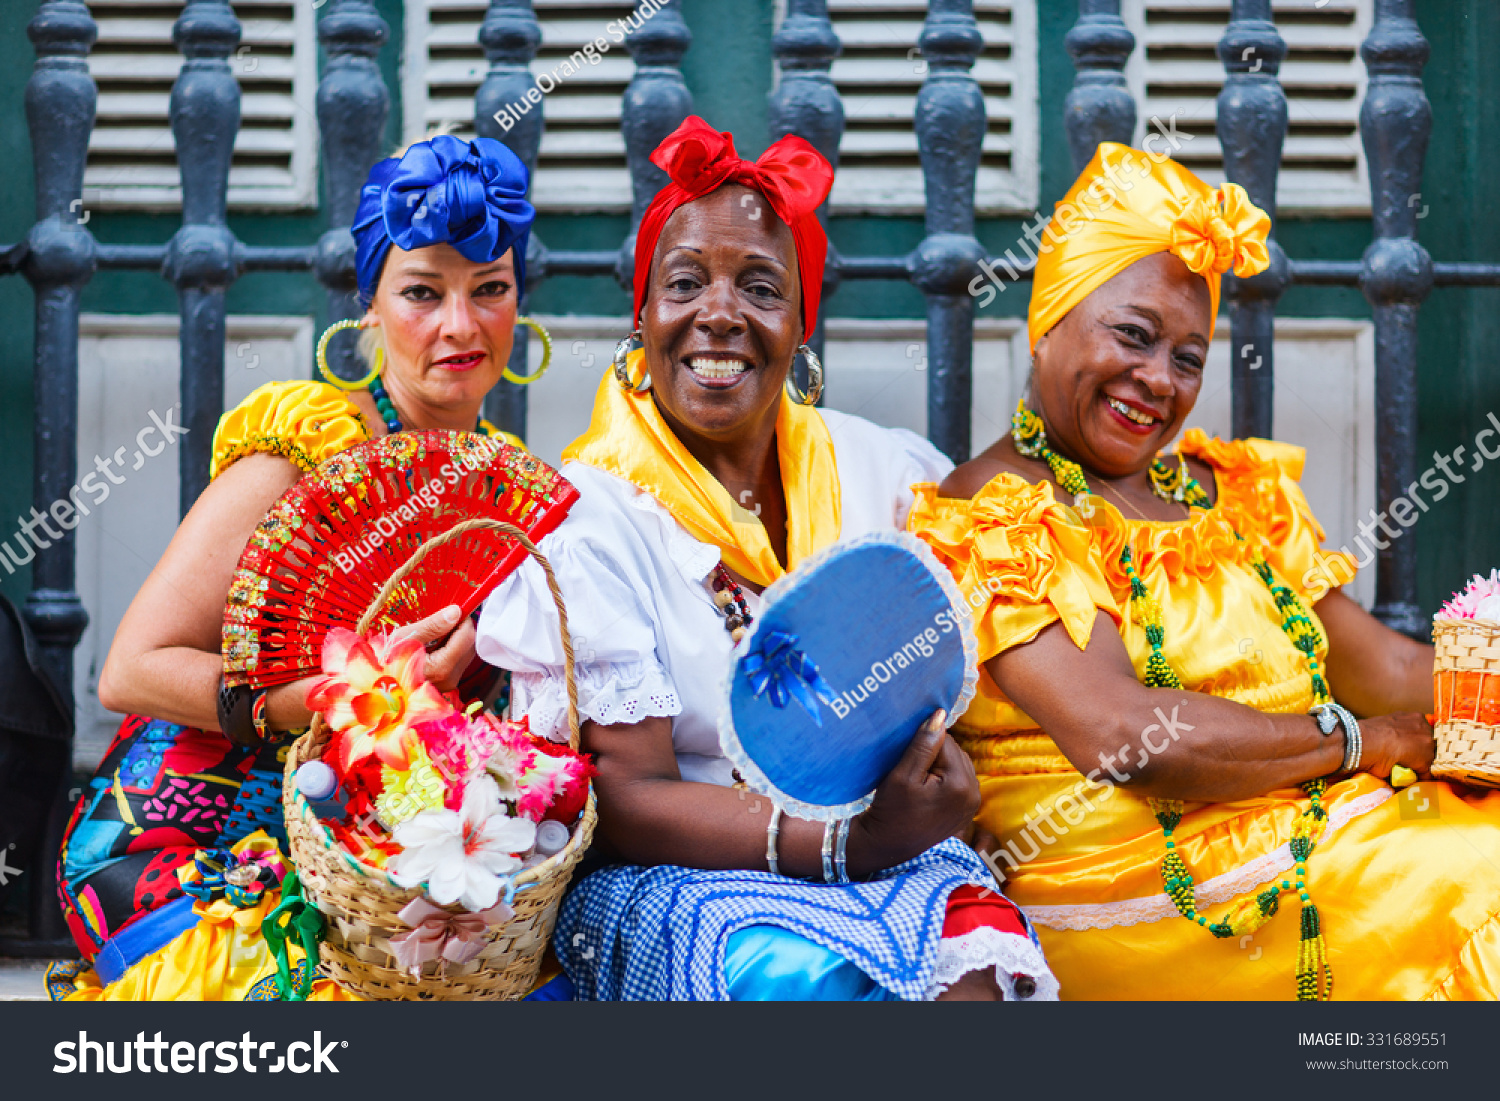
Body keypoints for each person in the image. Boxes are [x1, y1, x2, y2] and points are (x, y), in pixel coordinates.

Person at [477, 116, 1056, 1001]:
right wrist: (846, 846)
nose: (719, 314)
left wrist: (938, 805)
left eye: (759, 286)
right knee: (806, 982)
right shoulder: (586, 520)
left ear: (798, 323)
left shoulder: (887, 474)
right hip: (682, 879)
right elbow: (629, 799)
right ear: (643, 315)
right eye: (684, 283)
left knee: (970, 975)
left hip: (890, 850)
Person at [908, 141, 1500, 1000]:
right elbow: (1120, 737)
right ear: (1047, 321)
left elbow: (1390, 667)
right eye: (1134, 335)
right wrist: (1368, 742)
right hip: (1129, 879)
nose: (1158, 380)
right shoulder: (998, 513)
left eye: (1188, 357)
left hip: (1306, 823)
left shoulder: (1232, 492)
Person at [50, 134, 538, 1000]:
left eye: (489, 290)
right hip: (185, 847)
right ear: (371, 307)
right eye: (423, 293)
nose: (461, 327)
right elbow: (132, 669)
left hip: (361, 863)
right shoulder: (306, 446)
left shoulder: (513, 490)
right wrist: (351, 692)